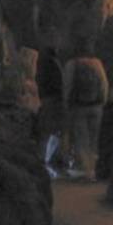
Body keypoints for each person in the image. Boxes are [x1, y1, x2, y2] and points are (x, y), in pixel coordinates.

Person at [62, 40, 109, 180]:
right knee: (94, 140)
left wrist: (66, 104)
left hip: (78, 107)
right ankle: (93, 169)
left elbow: (67, 85)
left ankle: (84, 170)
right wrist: (102, 102)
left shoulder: (72, 64)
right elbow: (104, 84)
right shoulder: (97, 63)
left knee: (81, 139)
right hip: (96, 106)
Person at [35, 46, 68, 176]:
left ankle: (44, 159)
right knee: (53, 132)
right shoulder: (55, 64)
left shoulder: (43, 65)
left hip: (47, 99)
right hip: (55, 100)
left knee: (46, 132)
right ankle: (47, 159)